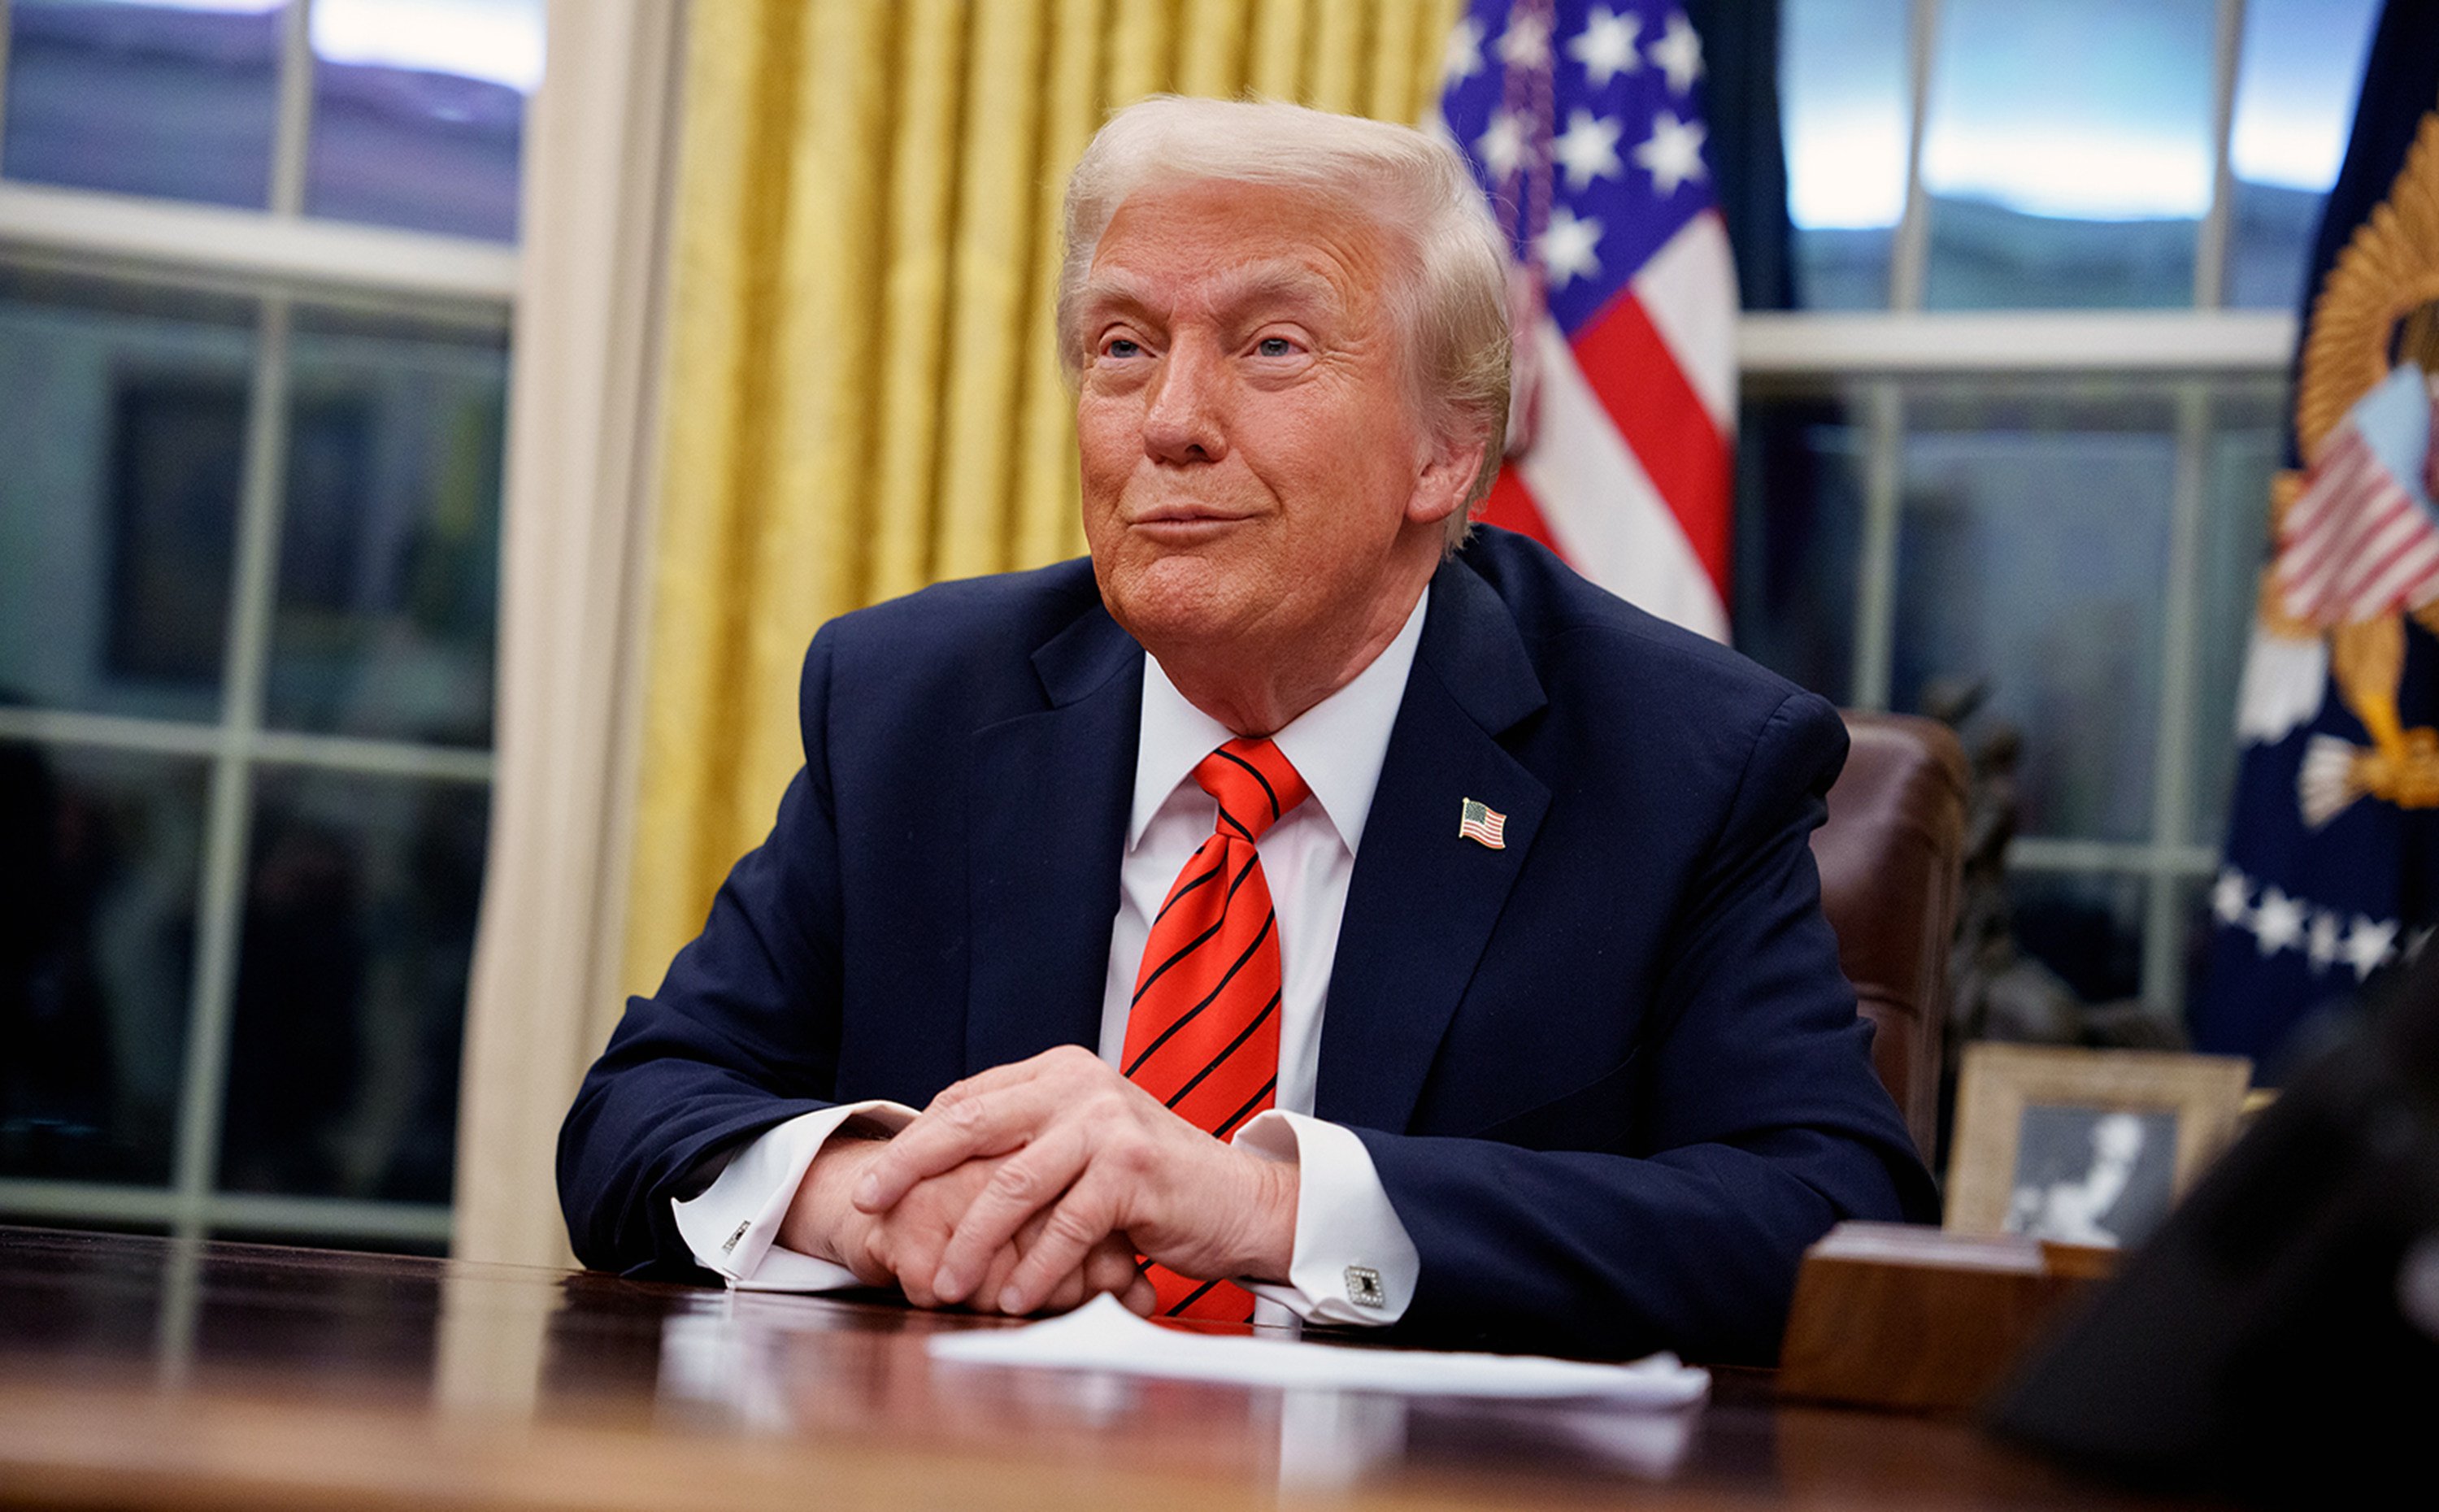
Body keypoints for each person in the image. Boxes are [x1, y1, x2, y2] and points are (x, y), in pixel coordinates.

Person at [559, 96, 1937, 1363]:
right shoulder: (917, 701)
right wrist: (868, 1198)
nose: (1170, 423)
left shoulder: (1680, 761)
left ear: (1444, 450)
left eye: (1272, 346)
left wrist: (1258, 1205)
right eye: (1122, 347)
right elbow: (636, 1113)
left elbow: (1831, 1225)